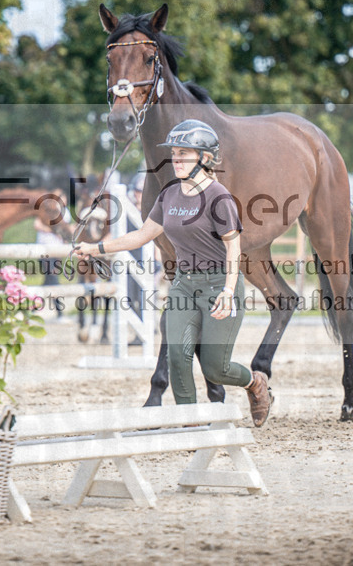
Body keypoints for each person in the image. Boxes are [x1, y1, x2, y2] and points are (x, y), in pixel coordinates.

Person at [73, 120, 273, 426]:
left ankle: (254, 382)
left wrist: (228, 291)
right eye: (174, 153)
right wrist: (96, 248)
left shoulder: (219, 198)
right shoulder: (168, 196)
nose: (176, 159)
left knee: (215, 368)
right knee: (177, 357)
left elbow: (235, 250)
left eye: (184, 154)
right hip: (183, 285)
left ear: (205, 158)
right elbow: (140, 236)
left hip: (220, 284)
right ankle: (190, 423)